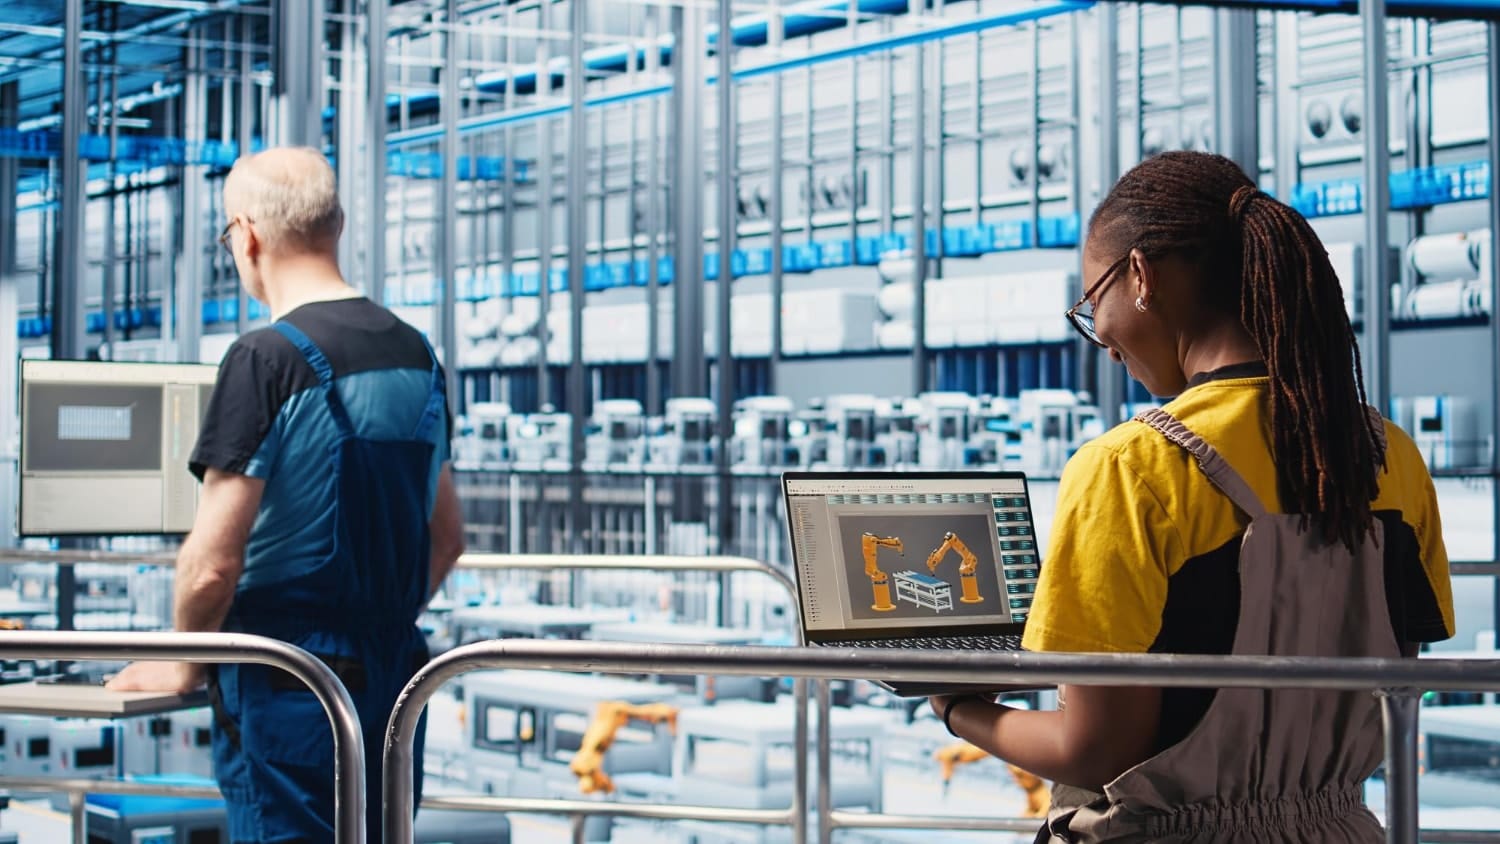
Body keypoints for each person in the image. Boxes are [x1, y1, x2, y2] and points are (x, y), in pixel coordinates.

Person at [931, 151, 1453, 842]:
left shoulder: (1132, 466)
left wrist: (956, 708)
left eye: (1094, 304)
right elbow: (1395, 690)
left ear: (1140, 276)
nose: (1106, 345)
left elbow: (1096, 750)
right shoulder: (1387, 455)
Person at [109, 146, 465, 844]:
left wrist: (186, 662)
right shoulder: (417, 354)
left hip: (287, 679)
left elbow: (212, 564)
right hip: (395, 679)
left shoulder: (264, 358)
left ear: (246, 235)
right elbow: (447, 538)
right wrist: (375, 623)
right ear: (334, 224)